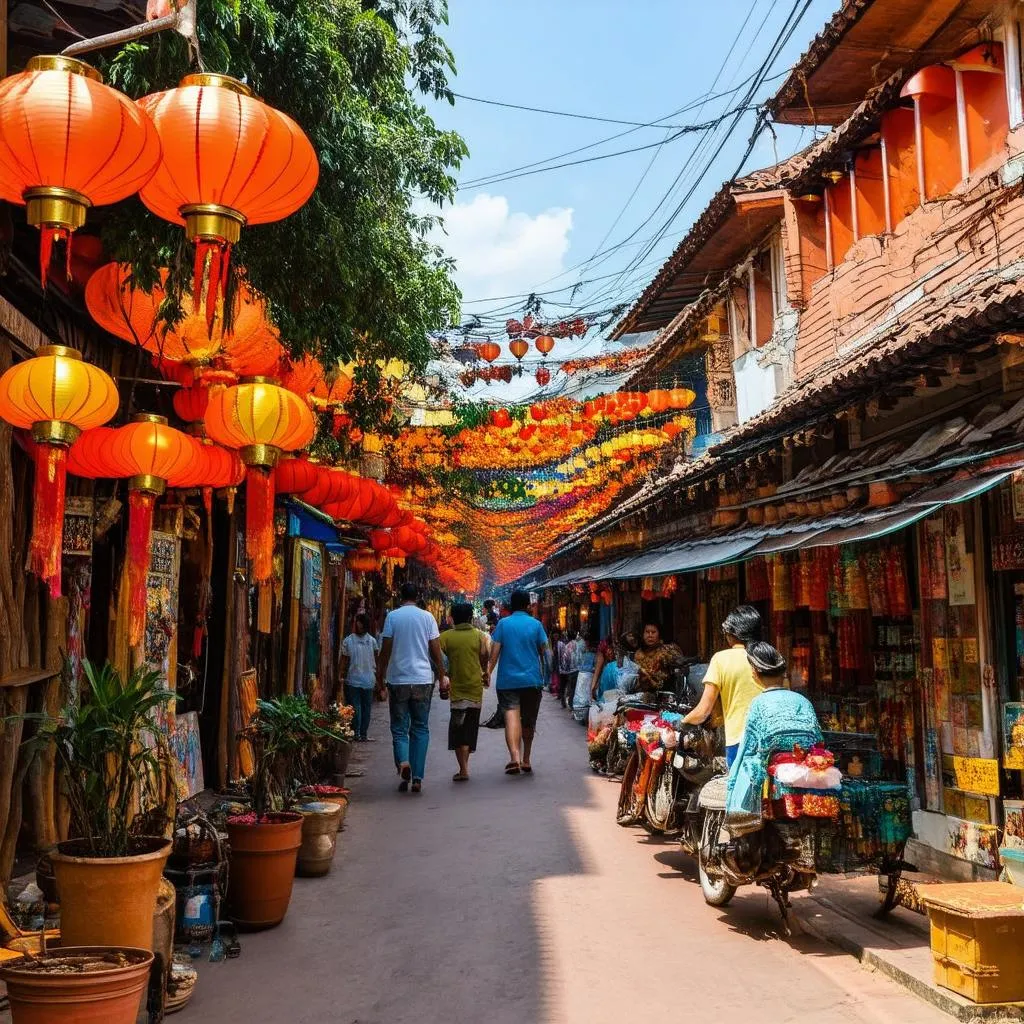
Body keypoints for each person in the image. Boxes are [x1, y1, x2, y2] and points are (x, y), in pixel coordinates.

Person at [725, 641, 822, 829]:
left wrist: (732, 787)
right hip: (806, 773)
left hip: (771, 779)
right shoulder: (802, 701)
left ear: (755, 673)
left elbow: (748, 747)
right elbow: (818, 741)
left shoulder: (758, 704)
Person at [376, 582, 444, 793]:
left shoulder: (393, 617)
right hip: (423, 679)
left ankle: (404, 762)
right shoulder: (427, 617)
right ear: (418, 597)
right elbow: (436, 650)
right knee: (420, 728)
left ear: (400, 596)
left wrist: (380, 677)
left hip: (398, 680)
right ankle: (417, 778)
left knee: (399, 728)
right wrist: (442, 676)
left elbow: (385, 649)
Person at [681, 605, 763, 768]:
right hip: (770, 739)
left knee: (738, 791)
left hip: (740, 740)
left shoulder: (721, 659)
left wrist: (681, 724)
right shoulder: (768, 655)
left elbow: (703, 711)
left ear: (731, 633)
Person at [488, 589, 550, 775]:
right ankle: (526, 759)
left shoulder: (503, 625)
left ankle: (514, 756)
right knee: (529, 721)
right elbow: (546, 652)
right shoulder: (536, 625)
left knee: (511, 717)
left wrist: (488, 672)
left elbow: (495, 652)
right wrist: (547, 676)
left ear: (511, 605)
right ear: (527, 605)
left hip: (508, 681)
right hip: (532, 680)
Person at [439, 602, 489, 782]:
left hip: (457, 689)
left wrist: (443, 677)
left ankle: (463, 769)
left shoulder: (445, 637)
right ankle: (464, 768)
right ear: (470, 618)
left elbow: (438, 660)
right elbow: (485, 658)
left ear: (453, 617)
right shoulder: (480, 636)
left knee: (458, 728)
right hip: (475, 688)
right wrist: (486, 673)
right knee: (470, 728)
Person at [339, 613, 378, 742]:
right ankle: (362, 734)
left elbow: (344, 661)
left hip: (355, 680)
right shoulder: (372, 641)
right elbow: (375, 660)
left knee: (357, 708)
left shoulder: (349, 641)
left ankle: (358, 733)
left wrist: (341, 675)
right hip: (366, 680)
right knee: (364, 708)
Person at [631, 622, 684, 699]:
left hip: (663, 694)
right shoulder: (638, 654)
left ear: (659, 635)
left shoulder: (667, 650)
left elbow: (679, 664)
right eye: (647, 632)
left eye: (653, 632)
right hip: (640, 694)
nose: (650, 635)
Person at [556, 630, 576, 708]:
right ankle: (568, 702)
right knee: (569, 686)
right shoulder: (575, 644)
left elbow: (561, 657)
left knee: (563, 686)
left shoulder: (561, 644)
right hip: (569, 669)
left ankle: (563, 702)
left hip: (563, 669)